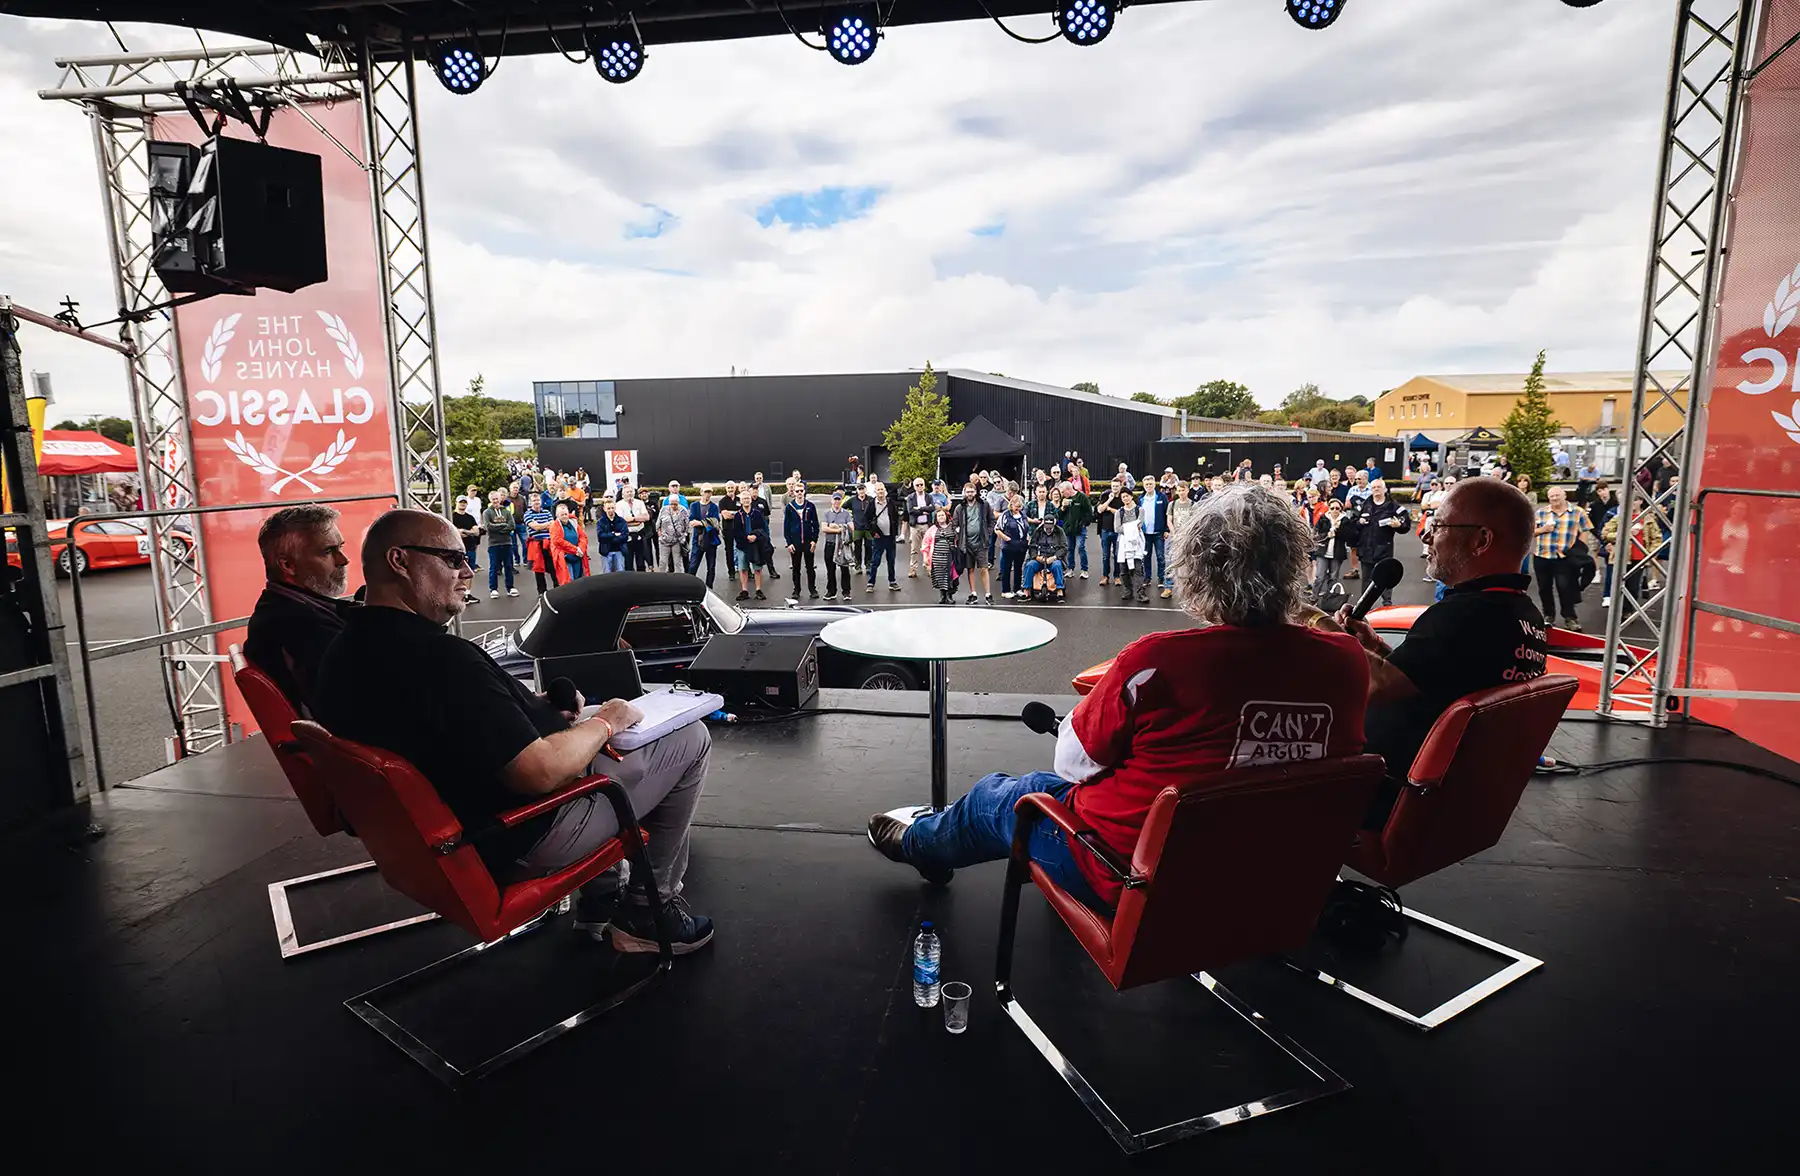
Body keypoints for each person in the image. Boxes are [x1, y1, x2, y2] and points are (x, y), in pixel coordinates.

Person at [866, 484, 1370, 902]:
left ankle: (920, 843)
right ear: (1291, 567)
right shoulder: (1347, 661)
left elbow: (1073, 764)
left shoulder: (1158, 662)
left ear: (1197, 569)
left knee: (995, 801)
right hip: (1272, 871)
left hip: (1134, 873)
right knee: (1040, 785)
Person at [314, 509, 715, 953]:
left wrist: (537, 711)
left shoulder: (341, 653)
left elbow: (447, 725)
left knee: (590, 739)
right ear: (399, 561)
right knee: (689, 738)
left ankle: (602, 898)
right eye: (452, 559)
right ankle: (646, 911)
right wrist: (607, 721)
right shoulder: (442, 659)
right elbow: (538, 774)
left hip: (437, 842)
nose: (468, 571)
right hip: (516, 836)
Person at [1329, 478, 1546, 828]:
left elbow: (1376, 686)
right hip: (1454, 794)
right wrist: (1376, 647)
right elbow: (1437, 678)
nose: (1426, 537)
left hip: (1381, 794)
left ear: (1481, 540)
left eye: (1438, 526)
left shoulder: (1465, 616)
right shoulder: (1520, 615)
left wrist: (1323, 628)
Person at [244, 504, 354, 715]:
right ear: (288, 565)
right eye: (328, 551)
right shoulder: (298, 623)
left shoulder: (282, 606)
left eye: (340, 547)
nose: (343, 560)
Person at [1532, 485, 1594, 630]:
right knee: (1544, 589)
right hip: (1542, 556)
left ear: (1564, 495)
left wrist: (1580, 550)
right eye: (1552, 496)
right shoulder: (1541, 513)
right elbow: (1530, 532)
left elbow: (1585, 530)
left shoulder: (1578, 512)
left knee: (1565, 588)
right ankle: (1548, 616)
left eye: (1557, 495)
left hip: (1565, 557)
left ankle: (1570, 617)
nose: (1554, 499)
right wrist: (1543, 529)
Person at [1347, 479, 1410, 606]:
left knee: (1385, 577)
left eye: (1379, 487)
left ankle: (1387, 604)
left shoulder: (1393, 505)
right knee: (1366, 580)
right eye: (1374, 487)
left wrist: (1398, 525)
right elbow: (1353, 523)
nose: (1376, 489)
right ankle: (1363, 606)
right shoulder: (1365, 504)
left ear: (1385, 489)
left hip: (1384, 549)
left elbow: (1406, 524)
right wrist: (1359, 522)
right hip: (1366, 549)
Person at [951, 481, 995, 605]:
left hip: (981, 543)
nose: (970, 494)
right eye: (967, 491)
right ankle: (973, 594)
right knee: (970, 569)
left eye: (972, 491)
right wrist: (958, 535)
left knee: (984, 568)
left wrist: (988, 532)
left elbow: (992, 520)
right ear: (964, 493)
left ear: (976, 492)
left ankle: (988, 594)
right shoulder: (960, 508)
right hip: (966, 544)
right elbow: (954, 524)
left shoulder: (984, 505)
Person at [1102, 488, 1146, 602]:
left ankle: (1140, 593)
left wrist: (1128, 527)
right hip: (1123, 542)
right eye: (1123, 497)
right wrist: (1132, 527)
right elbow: (1117, 528)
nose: (1125, 498)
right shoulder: (1119, 512)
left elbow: (1140, 525)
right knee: (1123, 569)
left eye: (1127, 496)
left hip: (1137, 543)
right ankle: (1128, 591)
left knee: (1138, 568)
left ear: (1131, 496)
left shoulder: (1139, 510)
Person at [783, 480, 820, 600]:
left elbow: (816, 524)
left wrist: (814, 540)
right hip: (795, 543)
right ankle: (796, 590)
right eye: (797, 491)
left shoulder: (810, 506)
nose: (799, 493)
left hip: (808, 542)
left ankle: (812, 589)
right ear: (794, 492)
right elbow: (786, 527)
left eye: (801, 491)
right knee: (796, 568)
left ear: (804, 491)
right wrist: (789, 543)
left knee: (810, 567)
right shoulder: (790, 507)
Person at [1022, 513, 1069, 602]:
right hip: (1040, 558)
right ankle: (1026, 591)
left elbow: (1064, 547)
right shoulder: (1038, 531)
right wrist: (1036, 557)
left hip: (1053, 558)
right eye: (1046, 526)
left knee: (1057, 566)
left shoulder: (1060, 531)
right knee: (1030, 565)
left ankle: (1059, 591)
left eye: (1050, 527)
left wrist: (1055, 557)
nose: (1048, 529)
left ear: (1054, 524)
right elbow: (1032, 546)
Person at [1138, 476, 1171, 599]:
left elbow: (1167, 514)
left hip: (1159, 533)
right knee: (1146, 556)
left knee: (1160, 557)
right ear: (1143, 485)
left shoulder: (1162, 497)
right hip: (1145, 534)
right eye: (1146, 484)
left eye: (1151, 484)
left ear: (1154, 484)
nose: (1149, 486)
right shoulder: (1141, 499)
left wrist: (1166, 530)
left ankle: (1161, 578)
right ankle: (1147, 578)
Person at [481, 490, 519, 599]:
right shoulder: (487, 512)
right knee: (493, 567)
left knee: (508, 566)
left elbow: (512, 525)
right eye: (493, 499)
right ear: (490, 500)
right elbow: (488, 527)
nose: (495, 501)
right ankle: (493, 589)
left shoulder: (506, 512)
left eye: (497, 499)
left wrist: (498, 528)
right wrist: (503, 525)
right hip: (494, 544)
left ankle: (510, 587)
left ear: (500, 499)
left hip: (507, 542)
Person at [865, 481, 902, 592]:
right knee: (875, 561)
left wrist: (895, 531)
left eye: (882, 489)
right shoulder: (871, 504)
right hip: (878, 537)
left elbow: (895, 517)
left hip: (890, 536)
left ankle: (892, 582)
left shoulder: (890, 502)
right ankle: (871, 583)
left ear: (884, 491)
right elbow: (867, 519)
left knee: (891, 560)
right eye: (878, 490)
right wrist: (873, 533)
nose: (880, 491)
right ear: (875, 491)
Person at [736, 488, 771, 601]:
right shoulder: (738, 515)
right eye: (743, 499)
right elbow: (735, 531)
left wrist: (756, 537)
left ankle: (758, 589)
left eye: (747, 498)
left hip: (756, 545)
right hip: (742, 545)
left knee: (757, 568)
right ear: (740, 501)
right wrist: (746, 538)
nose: (746, 500)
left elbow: (763, 528)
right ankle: (744, 590)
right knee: (743, 568)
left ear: (750, 499)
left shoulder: (757, 513)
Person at [820, 490, 853, 601]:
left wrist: (836, 527)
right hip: (830, 544)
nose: (837, 502)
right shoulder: (826, 513)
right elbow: (824, 528)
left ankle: (846, 592)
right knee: (830, 569)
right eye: (835, 499)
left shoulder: (846, 513)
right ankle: (831, 591)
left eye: (839, 499)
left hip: (843, 545)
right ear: (831, 501)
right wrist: (841, 529)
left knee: (845, 569)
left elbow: (851, 528)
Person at [995, 492, 1029, 599]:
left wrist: (1027, 537)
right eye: (1016, 506)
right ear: (1011, 505)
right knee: (1007, 568)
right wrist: (1006, 538)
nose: (1018, 508)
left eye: (1020, 506)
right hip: (1008, 546)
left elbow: (1025, 527)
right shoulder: (1005, 515)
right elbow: (997, 529)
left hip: (1021, 546)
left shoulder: (1023, 515)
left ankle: (1017, 588)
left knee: (1019, 567)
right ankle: (1005, 590)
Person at [686, 484, 722, 586]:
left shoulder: (714, 507)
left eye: (709, 492)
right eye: (705, 491)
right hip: (697, 539)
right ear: (701, 492)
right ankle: (689, 587)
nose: (707, 494)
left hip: (711, 540)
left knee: (711, 567)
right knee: (693, 565)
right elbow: (692, 521)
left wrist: (700, 523)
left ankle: (709, 588)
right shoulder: (694, 505)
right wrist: (706, 523)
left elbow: (715, 522)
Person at [921, 506, 958, 604]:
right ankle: (943, 595)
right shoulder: (932, 529)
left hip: (951, 556)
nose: (941, 517)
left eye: (942, 515)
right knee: (940, 577)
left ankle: (949, 595)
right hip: (937, 557)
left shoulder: (953, 527)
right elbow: (925, 544)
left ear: (946, 516)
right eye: (939, 516)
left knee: (951, 576)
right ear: (936, 518)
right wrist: (925, 557)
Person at [549, 503, 589, 585]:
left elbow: (583, 537)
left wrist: (581, 548)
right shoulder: (554, 526)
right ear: (557, 515)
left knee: (579, 579)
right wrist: (575, 549)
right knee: (568, 582)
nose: (564, 516)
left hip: (578, 556)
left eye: (565, 514)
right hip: (565, 558)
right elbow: (557, 541)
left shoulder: (574, 523)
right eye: (561, 515)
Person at [654, 492, 690, 574]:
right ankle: (661, 580)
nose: (673, 506)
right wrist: (659, 534)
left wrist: (684, 536)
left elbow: (687, 525)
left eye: (675, 504)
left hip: (677, 540)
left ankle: (679, 580)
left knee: (678, 562)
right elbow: (658, 524)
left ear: (678, 503)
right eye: (672, 504)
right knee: (663, 562)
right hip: (664, 540)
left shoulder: (683, 510)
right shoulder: (664, 509)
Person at [905, 477, 933, 579]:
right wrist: (923, 511)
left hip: (926, 525)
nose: (920, 486)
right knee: (914, 548)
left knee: (928, 548)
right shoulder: (910, 497)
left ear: (924, 485)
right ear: (914, 487)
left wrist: (920, 509)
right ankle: (913, 569)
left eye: (921, 484)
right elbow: (911, 510)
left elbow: (932, 508)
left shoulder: (929, 496)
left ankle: (929, 567)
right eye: (917, 485)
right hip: (915, 526)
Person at [619, 485, 650, 572]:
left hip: (640, 535)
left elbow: (646, 517)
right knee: (628, 562)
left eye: (631, 491)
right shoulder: (618, 505)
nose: (630, 493)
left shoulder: (640, 503)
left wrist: (632, 519)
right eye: (627, 492)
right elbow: (621, 521)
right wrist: (637, 520)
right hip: (627, 536)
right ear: (622, 494)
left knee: (641, 561)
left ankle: (642, 582)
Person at [594, 498, 629, 573]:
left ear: (615, 508)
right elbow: (600, 537)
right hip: (606, 551)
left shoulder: (621, 521)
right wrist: (614, 534)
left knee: (620, 572)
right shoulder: (600, 522)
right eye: (608, 508)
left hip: (619, 550)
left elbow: (625, 536)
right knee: (607, 573)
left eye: (612, 508)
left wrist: (609, 538)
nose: (611, 510)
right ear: (604, 509)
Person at [849, 481, 872, 573]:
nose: (861, 491)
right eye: (860, 489)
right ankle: (858, 565)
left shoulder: (870, 499)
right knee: (857, 547)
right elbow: (843, 507)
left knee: (869, 547)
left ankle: (868, 565)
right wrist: (850, 519)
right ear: (857, 491)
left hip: (868, 528)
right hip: (857, 528)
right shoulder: (852, 500)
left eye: (863, 489)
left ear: (866, 490)